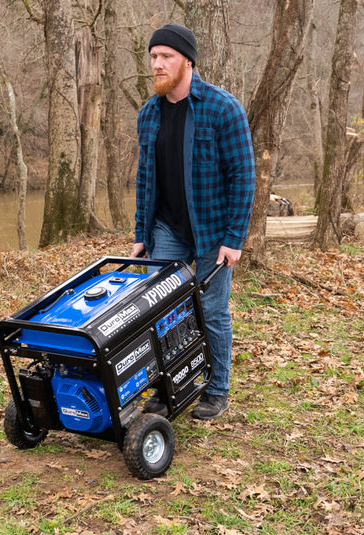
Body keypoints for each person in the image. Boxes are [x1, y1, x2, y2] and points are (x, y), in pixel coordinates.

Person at [131, 22, 255, 420]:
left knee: (213, 310)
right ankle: (171, 387)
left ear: (187, 60)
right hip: (166, 228)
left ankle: (216, 389)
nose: (157, 64)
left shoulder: (223, 108)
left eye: (166, 56)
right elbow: (145, 179)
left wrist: (234, 238)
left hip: (213, 230)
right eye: (153, 57)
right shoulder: (149, 114)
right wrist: (140, 233)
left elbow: (243, 176)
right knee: (161, 312)